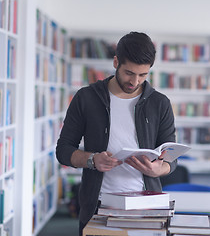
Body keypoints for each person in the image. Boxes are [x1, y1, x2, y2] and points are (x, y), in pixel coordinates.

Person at [56, 31, 177, 236]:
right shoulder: (86, 98)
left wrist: (159, 169)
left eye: (143, 75)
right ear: (115, 62)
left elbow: (171, 157)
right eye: (129, 73)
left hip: (148, 206)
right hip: (99, 206)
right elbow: (63, 150)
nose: (135, 81)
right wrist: (92, 160)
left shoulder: (160, 103)